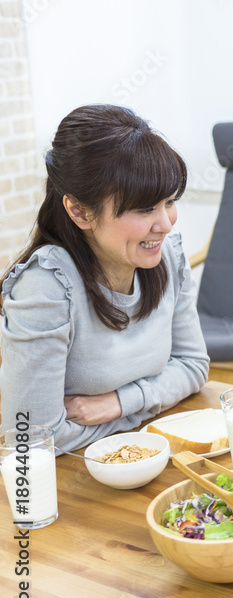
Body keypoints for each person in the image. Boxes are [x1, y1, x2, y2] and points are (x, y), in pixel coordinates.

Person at [0, 104, 209, 451]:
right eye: (144, 209)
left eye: (170, 201)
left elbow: (193, 366)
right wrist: (147, 412)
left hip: (144, 459)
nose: (166, 224)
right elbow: (29, 442)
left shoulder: (167, 256)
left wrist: (120, 402)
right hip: (72, 480)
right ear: (79, 211)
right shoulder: (47, 286)